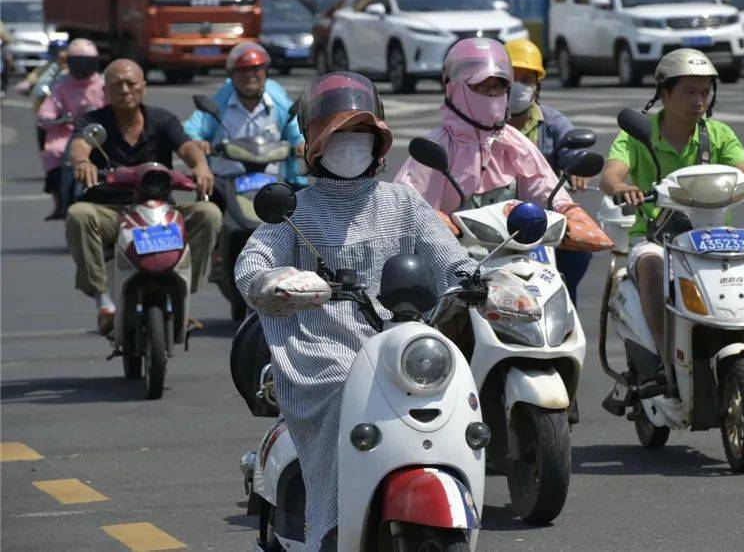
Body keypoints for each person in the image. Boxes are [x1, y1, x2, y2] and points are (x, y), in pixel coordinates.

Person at [234, 72, 484, 550]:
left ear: (379, 144)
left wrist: (479, 281)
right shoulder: (297, 211)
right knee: (339, 383)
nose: (349, 149)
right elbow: (254, 263)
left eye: (360, 139)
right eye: (338, 139)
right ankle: (330, 524)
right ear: (315, 147)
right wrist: (275, 282)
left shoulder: (404, 201)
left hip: (402, 347)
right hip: (322, 349)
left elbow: (449, 257)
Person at [600, 48, 744, 360]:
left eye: (704, 92)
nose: (699, 101)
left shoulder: (719, 134)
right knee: (650, 266)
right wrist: (622, 187)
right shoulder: (637, 135)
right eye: (689, 91)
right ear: (664, 93)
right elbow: (611, 176)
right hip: (655, 240)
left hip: (715, 238)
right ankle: (665, 359)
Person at [394, 37, 610, 254]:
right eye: (481, 86)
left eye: (497, 87)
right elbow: (406, 207)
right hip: (452, 262)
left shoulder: (514, 142)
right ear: (456, 89)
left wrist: (570, 213)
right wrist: (439, 222)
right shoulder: (436, 147)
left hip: (518, 254)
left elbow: (546, 190)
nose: (491, 94)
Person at [65, 59, 221, 336]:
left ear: (143, 88)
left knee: (209, 214)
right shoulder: (93, 123)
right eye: (117, 85)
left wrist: (201, 166)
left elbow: (187, 148)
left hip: (161, 212)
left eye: (131, 84)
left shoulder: (162, 120)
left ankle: (183, 295)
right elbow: (80, 147)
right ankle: (104, 303)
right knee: (79, 214)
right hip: (112, 212)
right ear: (106, 90)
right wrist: (82, 163)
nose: (125, 90)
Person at [503, 38, 594, 303]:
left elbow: (575, 152)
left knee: (578, 254)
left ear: (537, 85)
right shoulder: (482, 121)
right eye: (512, 78)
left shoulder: (553, 123)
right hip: (492, 220)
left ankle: (568, 309)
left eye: (527, 79)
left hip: (543, 221)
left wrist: (579, 167)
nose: (519, 86)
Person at [183, 42, 306, 187]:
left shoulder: (279, 104)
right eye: (242, 70)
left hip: (274, 185)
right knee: (209, 210)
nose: (249, 75)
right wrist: (199, 143)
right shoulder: (219, 105)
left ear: (265, 72)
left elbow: (295, 131)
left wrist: (301, 145)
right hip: (226, 183)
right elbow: (190, 129)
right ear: (232, 75)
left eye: (255, 68)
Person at [36, 38, 106, 220]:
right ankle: (62, 202)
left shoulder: (103, 84)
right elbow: (47, 110)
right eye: (78, 62)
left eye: (87, 62)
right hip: (68, 133)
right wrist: (55, 118)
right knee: (54, 154)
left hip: (101, 134)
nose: (82, 67)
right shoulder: (63, 85)